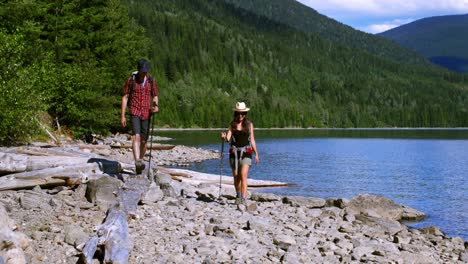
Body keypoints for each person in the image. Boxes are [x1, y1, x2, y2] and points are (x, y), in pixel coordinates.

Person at [121, 59, 159, 174]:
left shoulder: (151, 81)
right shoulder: (131, 80)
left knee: (144, 141)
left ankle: (140, 161)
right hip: (134, 111)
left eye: (145, 71)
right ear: (138, 70)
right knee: (136, 136)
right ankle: (137, 160)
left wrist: (156, 106)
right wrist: (122, 115)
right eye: (142, 71)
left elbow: (155, 96)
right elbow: (125, 97)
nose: (144, 74)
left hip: (147, 113)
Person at [221, 102, 260, 205]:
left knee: (243, 175)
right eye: (239, 113)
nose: (241, 116)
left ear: (245, 114)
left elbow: (252, 140)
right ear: (236, 113)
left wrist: (256, 154)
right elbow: (228, 139)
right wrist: (224, 137)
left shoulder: (249, 125)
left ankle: (243, 198)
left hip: (246, 152)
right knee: (236, 176)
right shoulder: (232, 125)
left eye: (243, 114)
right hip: (234, 153)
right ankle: (238, 194)